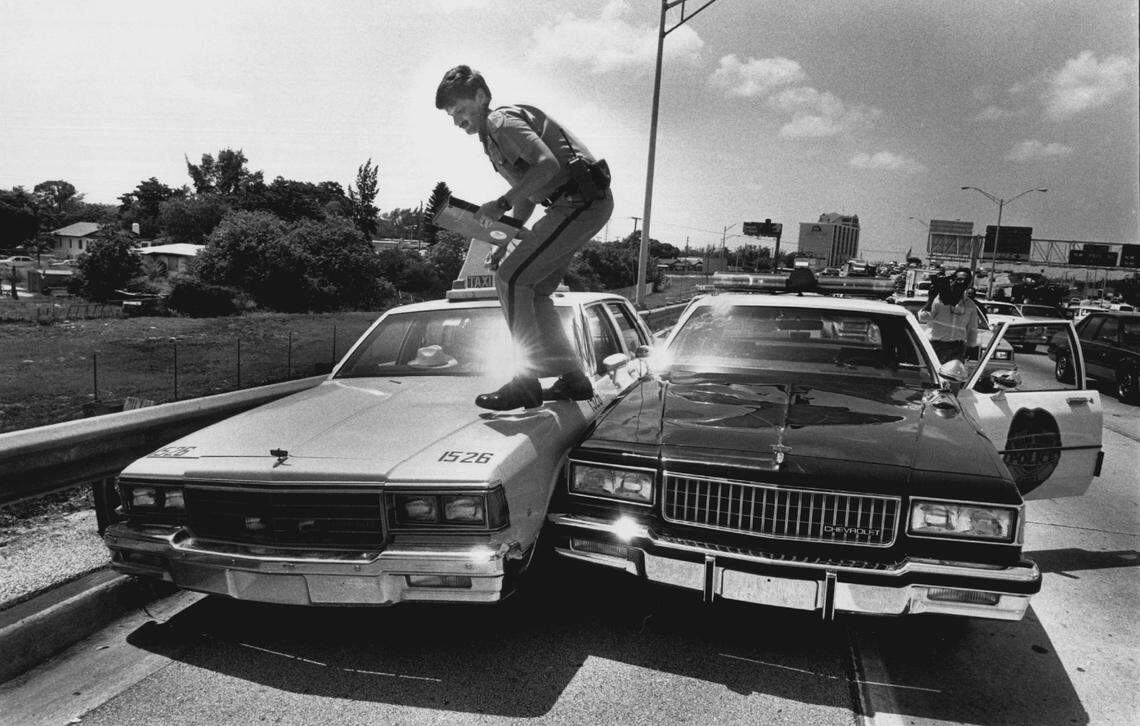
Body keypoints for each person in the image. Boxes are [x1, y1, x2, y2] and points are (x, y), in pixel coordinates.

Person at [435, 65, 614, 411]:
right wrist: (504, 239)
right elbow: (530, 195)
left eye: (460, 109)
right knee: (535, 291)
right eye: (451, 115)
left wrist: (500, 203)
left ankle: (525, 381)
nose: (457, 120)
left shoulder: (500, 122)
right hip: (574, 204)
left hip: (578, 202)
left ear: (481, 97)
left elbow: (547, 166)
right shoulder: (492, 137)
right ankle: (573, 378)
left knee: (511, 280)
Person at [919, 266, 979, 363]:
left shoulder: (970, 305)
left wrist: (970, 347)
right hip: (935, 346)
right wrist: (930, 300)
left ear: (969, 284)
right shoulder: (938, 300)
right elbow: (923, 318)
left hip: (957, 350)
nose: (962, 283)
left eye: (966, 281)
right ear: (953, 280)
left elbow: (972, 328)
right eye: (959, 280)